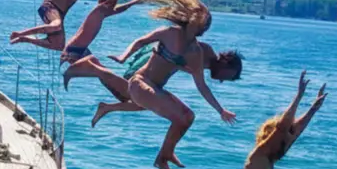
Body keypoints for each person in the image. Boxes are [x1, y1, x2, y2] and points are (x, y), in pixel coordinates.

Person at [106, 0, 236, 169]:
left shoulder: (195, 52)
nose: (204, 30)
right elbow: (141, 41)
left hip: (155, 88)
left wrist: (220, 109)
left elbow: (201, 85)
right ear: (193, 21)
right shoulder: (169, 33)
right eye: (203, 25)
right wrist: (123, 57)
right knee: (180, 117)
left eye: (205, 27)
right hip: (140, 83)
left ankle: (166, 154)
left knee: (188, 117)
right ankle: (163, 156)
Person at [90, 42, 243, 126]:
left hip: (155, 71)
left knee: (143, 103)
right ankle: (92, 67)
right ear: (226, 63)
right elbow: (201, 86)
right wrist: (220, 110)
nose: (222, 80)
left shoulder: (205, 63)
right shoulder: (205, 52)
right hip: (150, 62)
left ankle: (107, 107)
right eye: (227, 76)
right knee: (133, 94)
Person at [60, 0, 146, 89]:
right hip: (73, 50)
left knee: (104, 73)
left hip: (81, 49)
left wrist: (135, 1)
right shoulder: (98, 11)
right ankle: (69, 73)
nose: (111, 7)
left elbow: (120, 8)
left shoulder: (102, 13)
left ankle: (120, 92)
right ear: (102, 3)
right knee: (102, 71)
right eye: (109, 4)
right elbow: (112, 2)